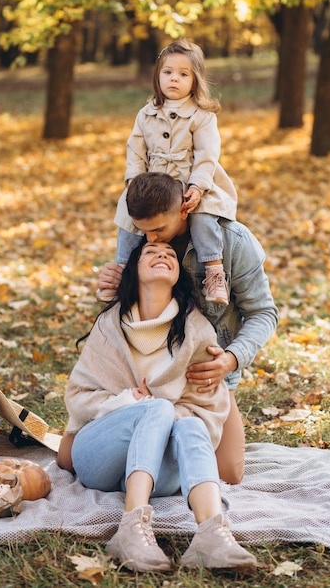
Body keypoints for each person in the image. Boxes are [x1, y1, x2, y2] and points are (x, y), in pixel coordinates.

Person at [58, 239, 258, 573]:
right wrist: (128, 403)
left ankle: (212, 534)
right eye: (151, 252)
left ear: (178, 274)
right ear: (133, 270)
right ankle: (132, 528)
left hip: (162, 468)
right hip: (102, 457)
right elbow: (78, 395)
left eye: (169, 254)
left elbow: (205, 406)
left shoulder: (196, 332)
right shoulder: (109, 327)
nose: (162, 255)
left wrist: (163, 413)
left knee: (187, 421)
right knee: (159, 408)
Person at [97, 172, 279, 485]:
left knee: (229, 473)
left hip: (201, 376)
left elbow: (263, 312)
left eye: (157, 230)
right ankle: (154, 455)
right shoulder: (139, 236)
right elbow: (124, 314)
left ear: (184, 209)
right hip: (147, 371)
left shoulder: (234, 241)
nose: (150, 240)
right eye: (143, 232)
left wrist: (231, 359)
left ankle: (162, 454)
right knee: (74, 457)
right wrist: (112, 286)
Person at [109, 38, 238, 306]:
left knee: (202, 216)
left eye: (183, 74)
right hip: (152, 184)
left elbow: (207, 155)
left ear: (195, 80)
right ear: (158, 76)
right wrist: (134, 183)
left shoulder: (202, 116)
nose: (174, 79)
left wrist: (198, 186)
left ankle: (214, 272)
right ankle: (121, 272)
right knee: (129, 214)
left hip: (191, 182)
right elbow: (135, 151)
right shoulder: (146, 114)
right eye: (167, 73)